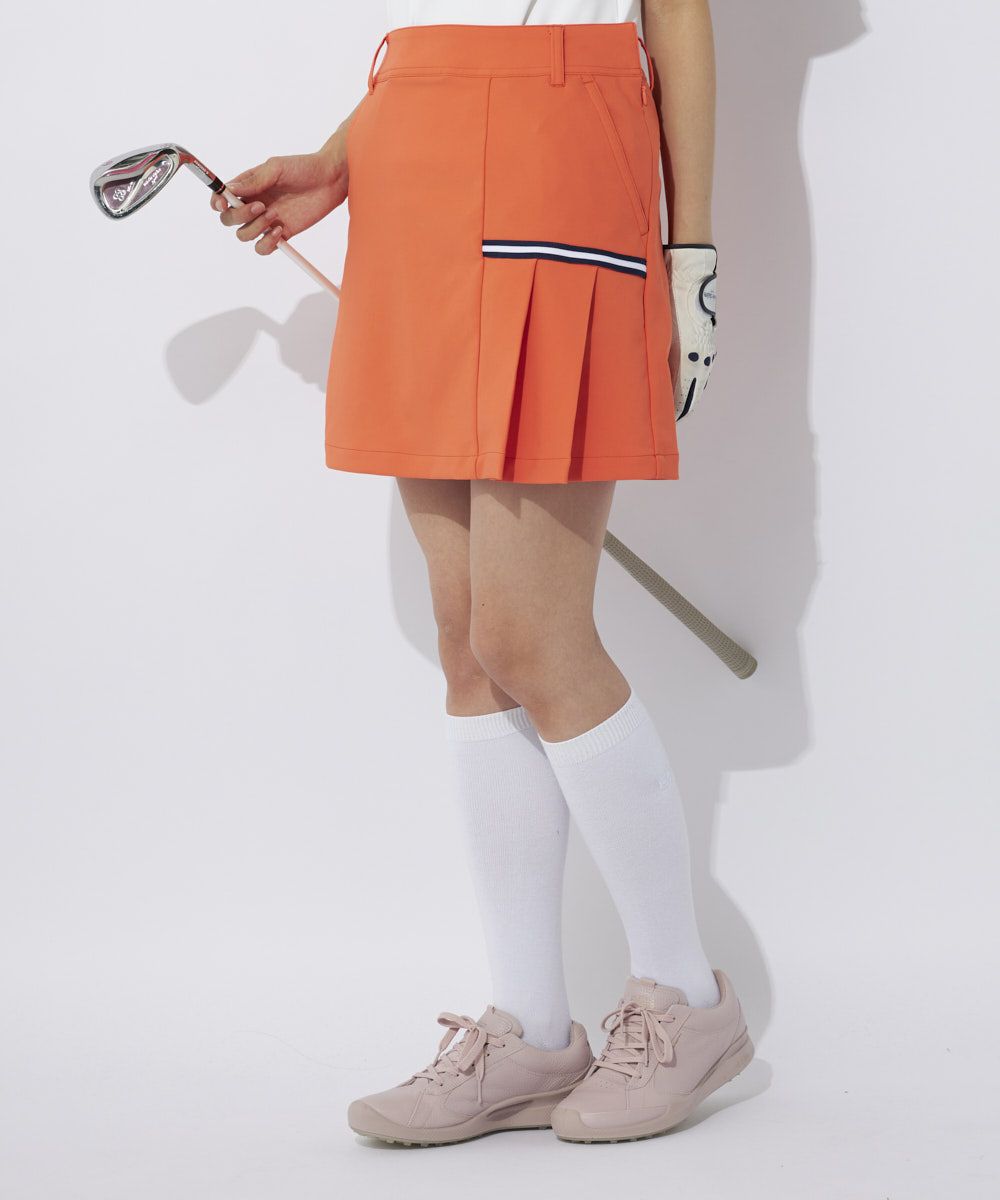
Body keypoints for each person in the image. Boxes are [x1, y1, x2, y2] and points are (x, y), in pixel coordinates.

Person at [211, 0, 751, 1147]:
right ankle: (531, 1033)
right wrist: (339, 158)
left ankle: (685, 998)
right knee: (467, 643)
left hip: (559, 144)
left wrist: (690, 251)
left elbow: (675, 11)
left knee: (529, 637)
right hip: (413, 151)